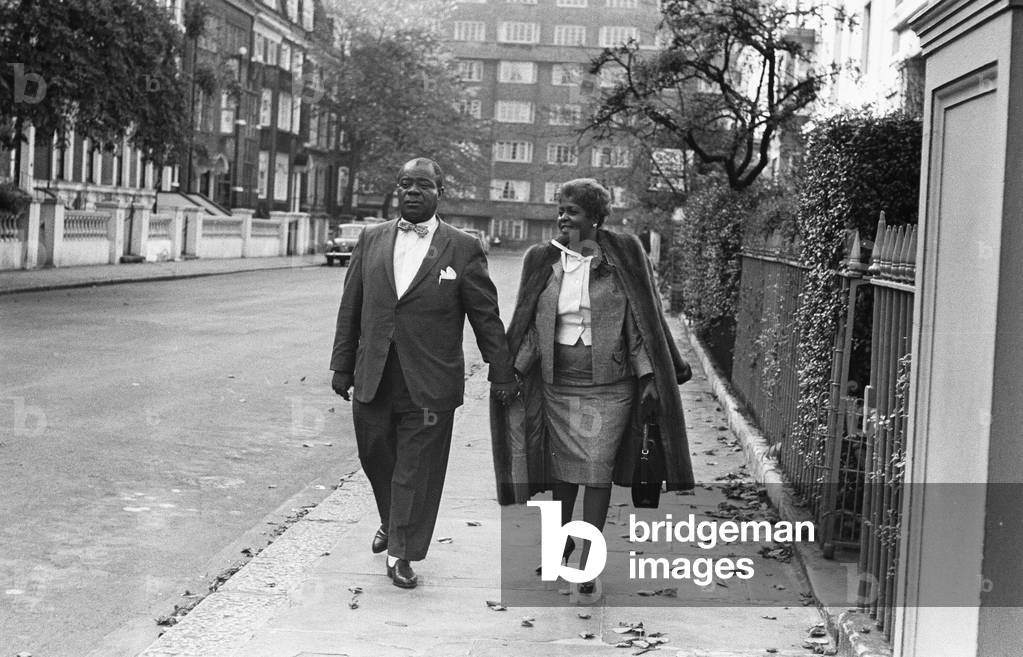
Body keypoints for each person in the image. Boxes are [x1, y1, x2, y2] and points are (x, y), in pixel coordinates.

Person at [489, 178, 694, 595]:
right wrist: (513, 373)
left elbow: (640, 322)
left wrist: (650, 377)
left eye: (574, 211)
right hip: (556, 386)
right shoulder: (542, 260)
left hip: (610, 388)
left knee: (597, 474)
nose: (563, 217)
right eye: (561, 209)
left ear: (596, 219)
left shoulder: (622, 259)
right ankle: (561, 546)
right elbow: (529, 327)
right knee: (564, 474)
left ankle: (589, 560)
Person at [331, 157, 518, 589]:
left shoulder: (462, 248)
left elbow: (484, 317)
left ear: (440, 192)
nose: (412, 192)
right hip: (375, 374)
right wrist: (342, 364)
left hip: (430, 382)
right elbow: (351, 307)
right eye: (405, 184)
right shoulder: (371, 239)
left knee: (417, 468)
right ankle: (391, 518)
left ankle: (402, 552)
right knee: (374, 454)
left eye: (423, 185)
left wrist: (502, 370)